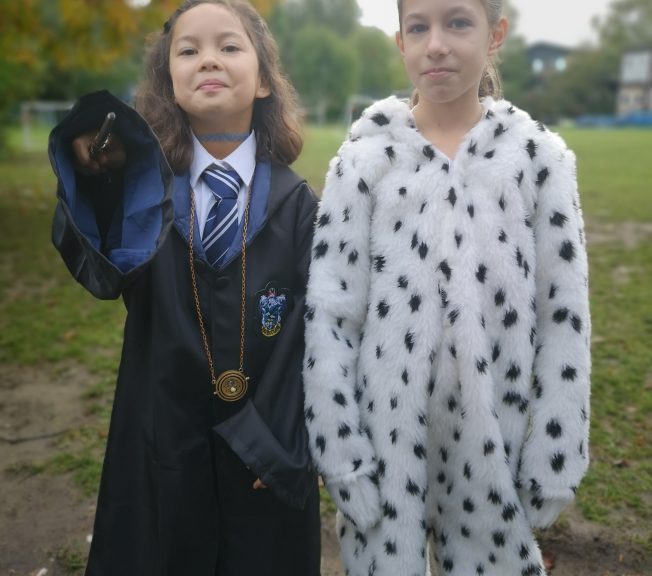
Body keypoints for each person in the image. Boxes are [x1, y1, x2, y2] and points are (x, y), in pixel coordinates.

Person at [302, 0, 591, 574]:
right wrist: (341, 454)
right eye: (419, 27)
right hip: (386, 453)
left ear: (495, 35)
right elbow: (331, 314)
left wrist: (556, 453)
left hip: (495, 453)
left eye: (458, 22)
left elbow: (565, 313)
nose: (436, 44)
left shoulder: (538, 160)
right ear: (400, 42)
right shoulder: (362, 161)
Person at [48, 1, 320, 574]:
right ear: (168, 81)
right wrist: (94, 174)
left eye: (229, 46)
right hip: (160, 436)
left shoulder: (298, 206)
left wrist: (271, 444)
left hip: (264, 454)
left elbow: (311, 336)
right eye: (188, 51)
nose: (207, 61)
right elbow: (98, 269)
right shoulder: (143, 194)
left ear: (265, 80)